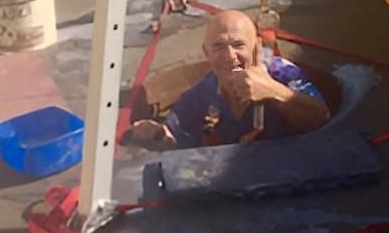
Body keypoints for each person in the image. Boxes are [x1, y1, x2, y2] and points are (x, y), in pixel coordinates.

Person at [130, 9, 329, 149]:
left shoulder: (284, 74)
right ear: (206, 52)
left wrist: (273, 92)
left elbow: (321, 118)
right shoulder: (206, 92)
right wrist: (157, 133)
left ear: (256, 47)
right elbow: (178, 137)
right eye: (218, 47)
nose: (230, 56)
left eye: (238, 45)